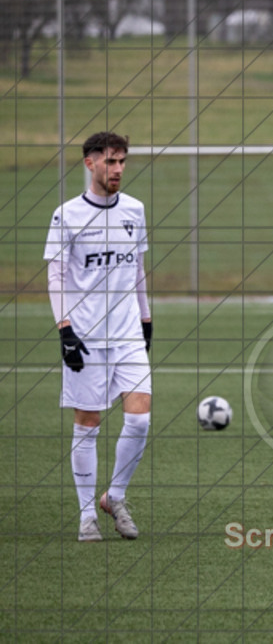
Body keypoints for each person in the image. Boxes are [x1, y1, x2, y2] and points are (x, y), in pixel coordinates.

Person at [44, 131, 153, 542]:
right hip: (86, 337)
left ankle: (115, 497)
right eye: (110, 161)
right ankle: (87, 515)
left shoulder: (135, 210)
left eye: (122, 161)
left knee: (140, 421)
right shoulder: (66, 215)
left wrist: (146, 319)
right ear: (90, 163)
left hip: (127, 334)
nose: (118, 169)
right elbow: (55, 275)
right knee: (88, 424)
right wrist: (65, 329)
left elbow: (138, 267)